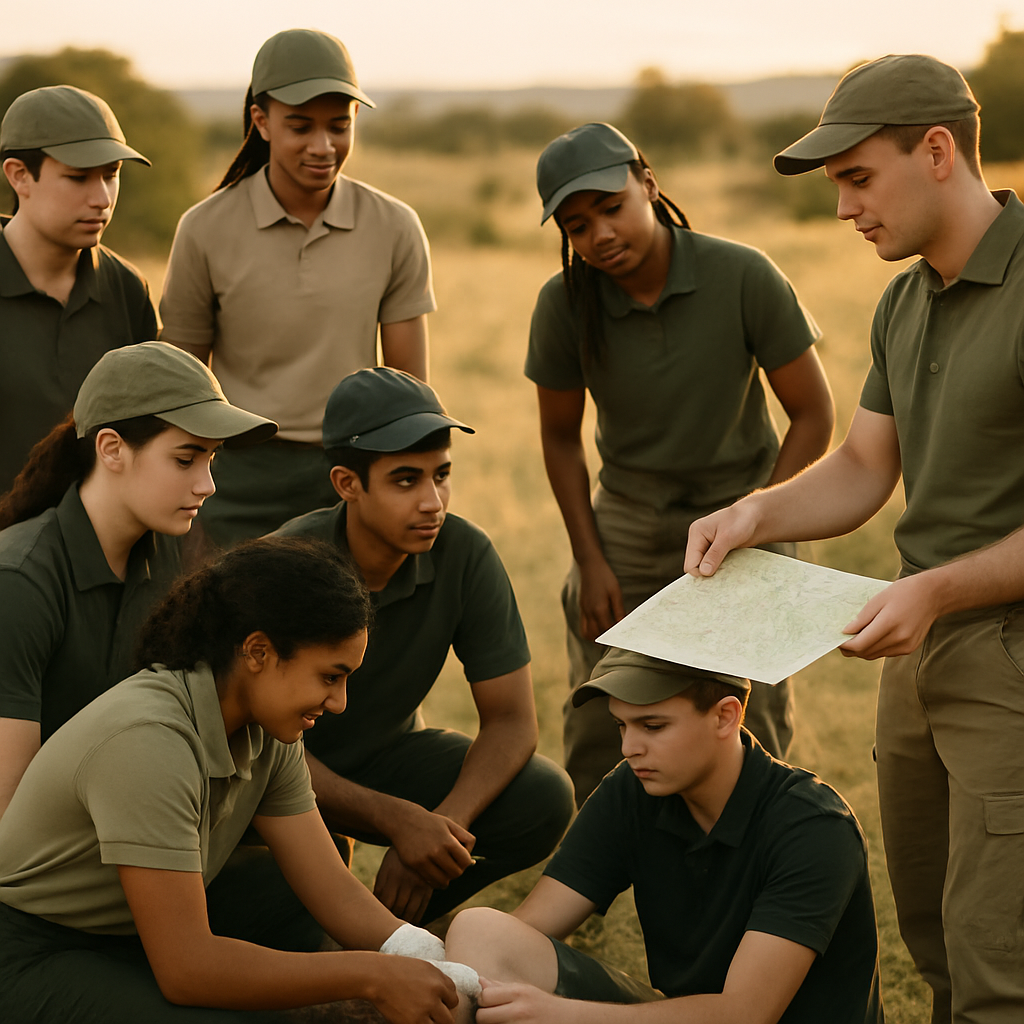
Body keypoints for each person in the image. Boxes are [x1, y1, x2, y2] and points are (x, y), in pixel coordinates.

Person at [684, 54, 1024, 1024]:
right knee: (936, 939)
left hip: (1004, 652)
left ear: (936, 151)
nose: (843, 210)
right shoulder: (903, 301)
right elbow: (864, 467)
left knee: (1003, 962)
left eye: (856, 179)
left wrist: (933, 591)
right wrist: (754, 512)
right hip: (917, 654)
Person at [0, 536, 482, 1023]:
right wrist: (370, 975)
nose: (339, 703)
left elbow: (331, 888)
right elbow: (186, 968)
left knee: (291, 887)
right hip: (29, 950)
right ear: (258, 651)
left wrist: (434, 960)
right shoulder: (149, 740)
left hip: (128, 930)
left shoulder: (268, 730)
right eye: (330, 676)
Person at [527, 122, 835, 803]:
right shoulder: (564, 303)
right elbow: (558, 438)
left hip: (743, 506)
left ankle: (756, 847)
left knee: (745, 705)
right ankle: (598, 863)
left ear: (648, 184)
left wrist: (762, 515)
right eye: (578, 226)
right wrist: (591, 559)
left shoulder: (744, 274)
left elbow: (814, 413)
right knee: (607, 699)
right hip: (630, 518)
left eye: (611, 207)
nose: (600, 234)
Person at [274, 367, 575, 925]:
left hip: (387, 758)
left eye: (442, 476)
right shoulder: (287, 564)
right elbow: (257, 748)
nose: (433, 501)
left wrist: (438, 834)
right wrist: (396, 821)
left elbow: (512, 721)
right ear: (347, 484)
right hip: (276, 775)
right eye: (406, 480)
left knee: (544, 797)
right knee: (276, 911)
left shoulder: (465, 553)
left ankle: (406, 923)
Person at [445, 647, 882, 1024]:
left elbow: (744, 1014)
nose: (629, 747)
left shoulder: (814, 827)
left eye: (652, 726)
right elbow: (524, 932)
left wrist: (561, 1013)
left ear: (725, 716)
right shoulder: (632, 789)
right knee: (481, 933)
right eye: (622, 725)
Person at [159, 28, 436, 548]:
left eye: (339, 125)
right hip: (234, 480)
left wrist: (404, 487)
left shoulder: (395, 226)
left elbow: (408, 395)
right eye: (300, 126)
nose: (323, 146)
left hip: (350, 478)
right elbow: (181, 389)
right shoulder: (204, 229)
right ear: (261, 121)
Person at [0, 341, 276, 817]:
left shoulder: (169, 550)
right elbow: (8, 811)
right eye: (186, 459)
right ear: (112, 450)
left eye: (213, 459)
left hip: (132, 819)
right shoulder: (20, 582)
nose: (207, 484)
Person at [0, 84, 157, 495]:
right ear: (19, 176)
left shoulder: (127, 289)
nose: (102, 198)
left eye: (111, 175)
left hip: (95, 549)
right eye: (78, 177)